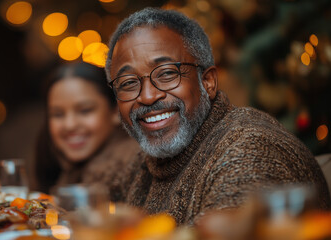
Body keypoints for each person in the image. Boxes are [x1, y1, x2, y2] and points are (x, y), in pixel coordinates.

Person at [104, 7, 331, 225]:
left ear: (208, 82)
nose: (147, 96)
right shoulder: (149, 161)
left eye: (166, 73)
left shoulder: (249, 150)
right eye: (128, 83)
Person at [34, 62, 139, 194]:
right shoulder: (61, 167)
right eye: (58, 114)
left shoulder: (129, 165)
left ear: (115, 111)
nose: (70, 125)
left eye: (85, 111)